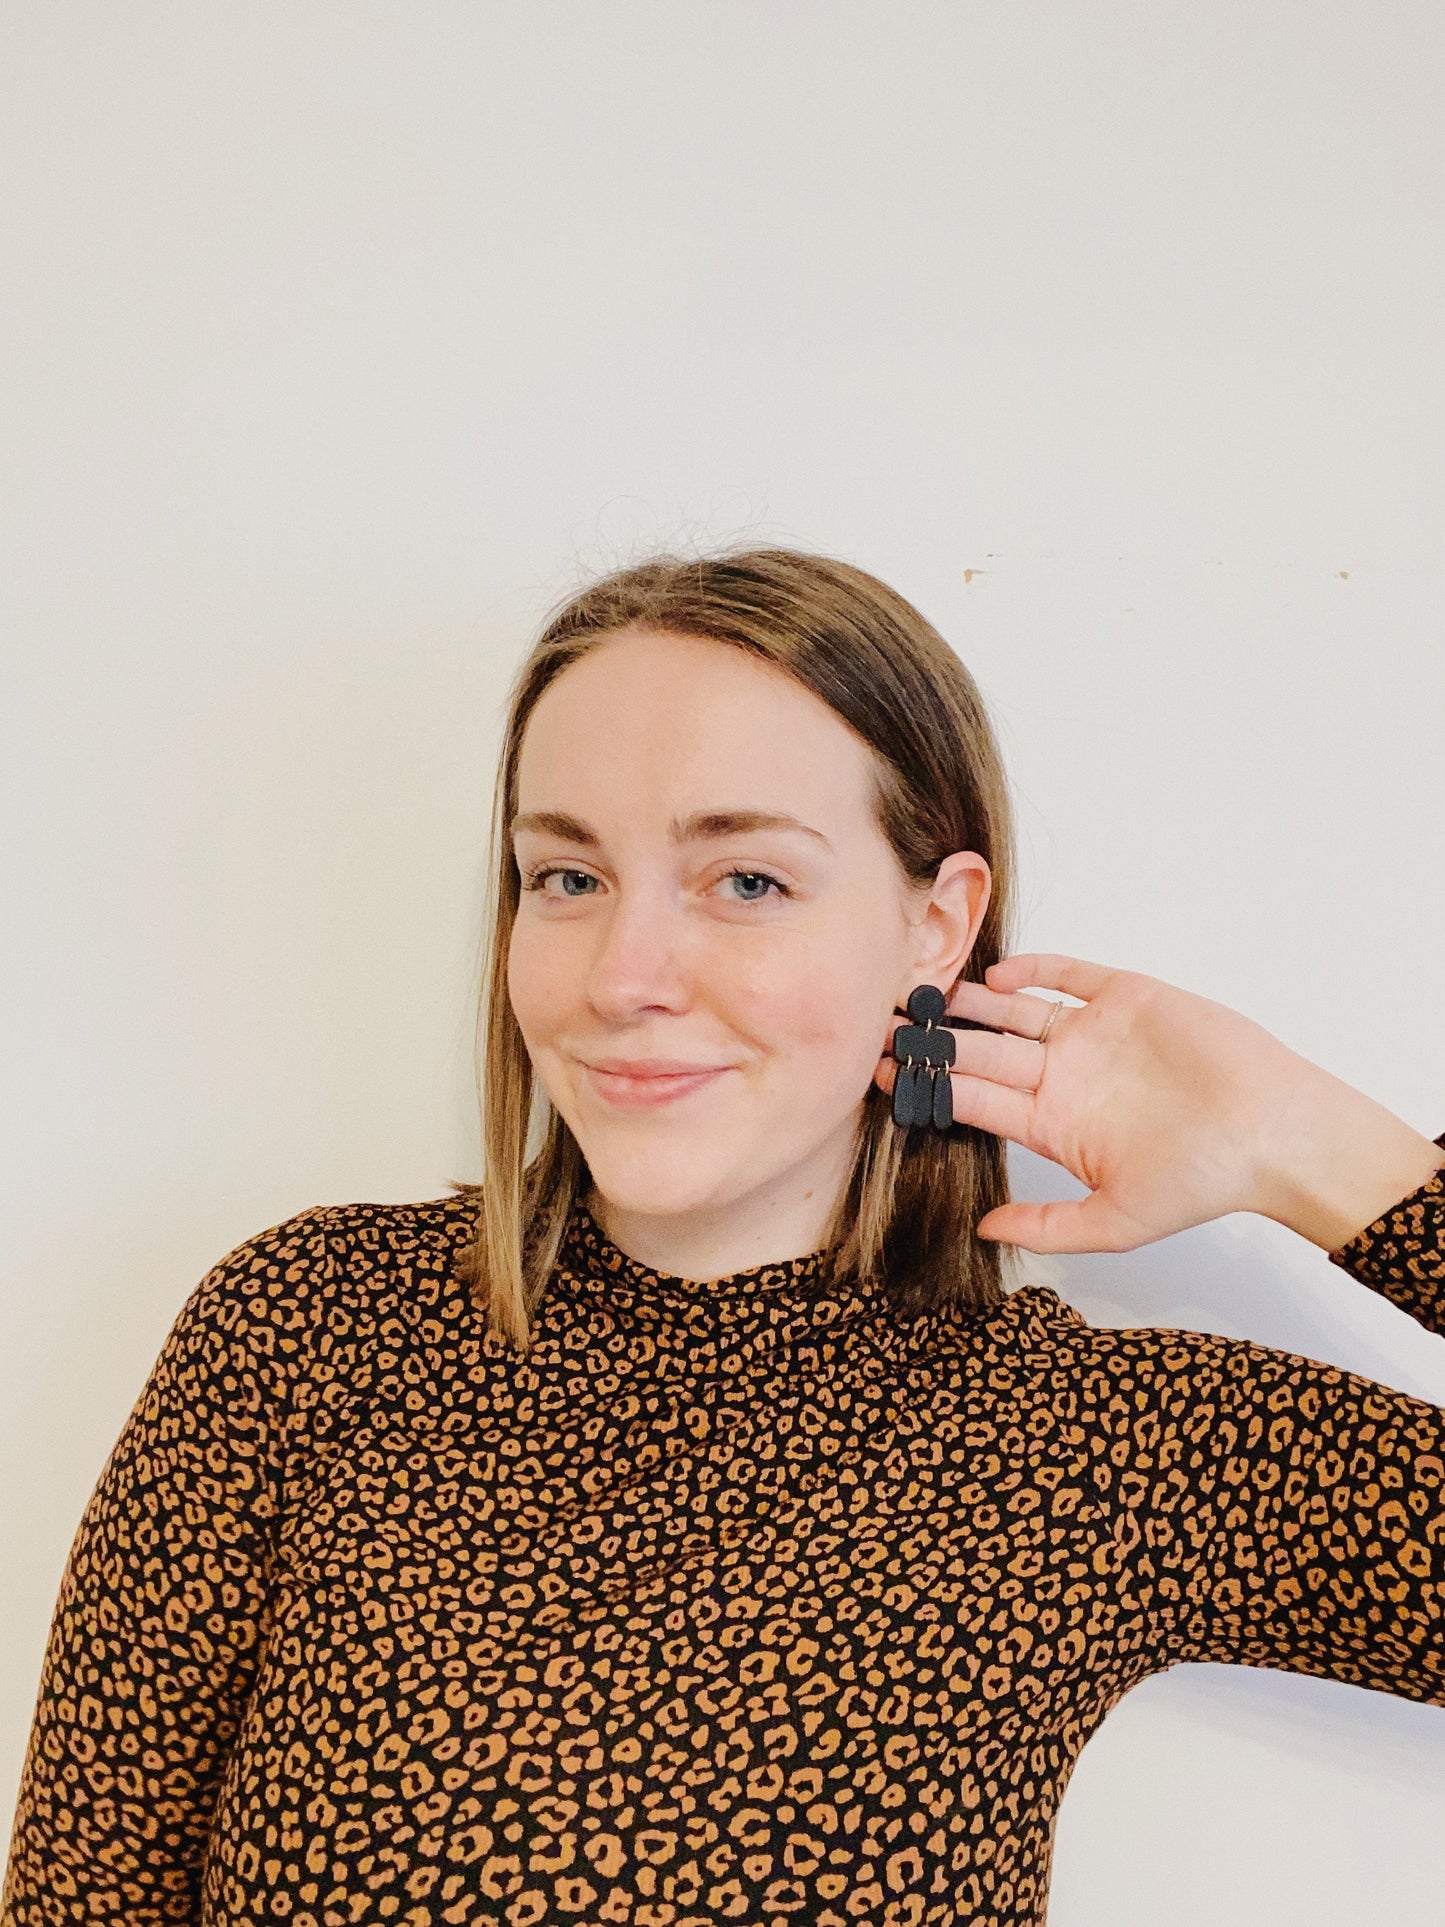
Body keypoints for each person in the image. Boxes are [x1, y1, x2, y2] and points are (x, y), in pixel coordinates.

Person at [3, 549, 1442, 1927]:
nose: (623, 977)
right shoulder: (309, 1326)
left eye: (744, 880)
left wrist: (1321, 1154)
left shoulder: (1090, 1443)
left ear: (937, 925)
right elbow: (84, 1897)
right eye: (565, 877)